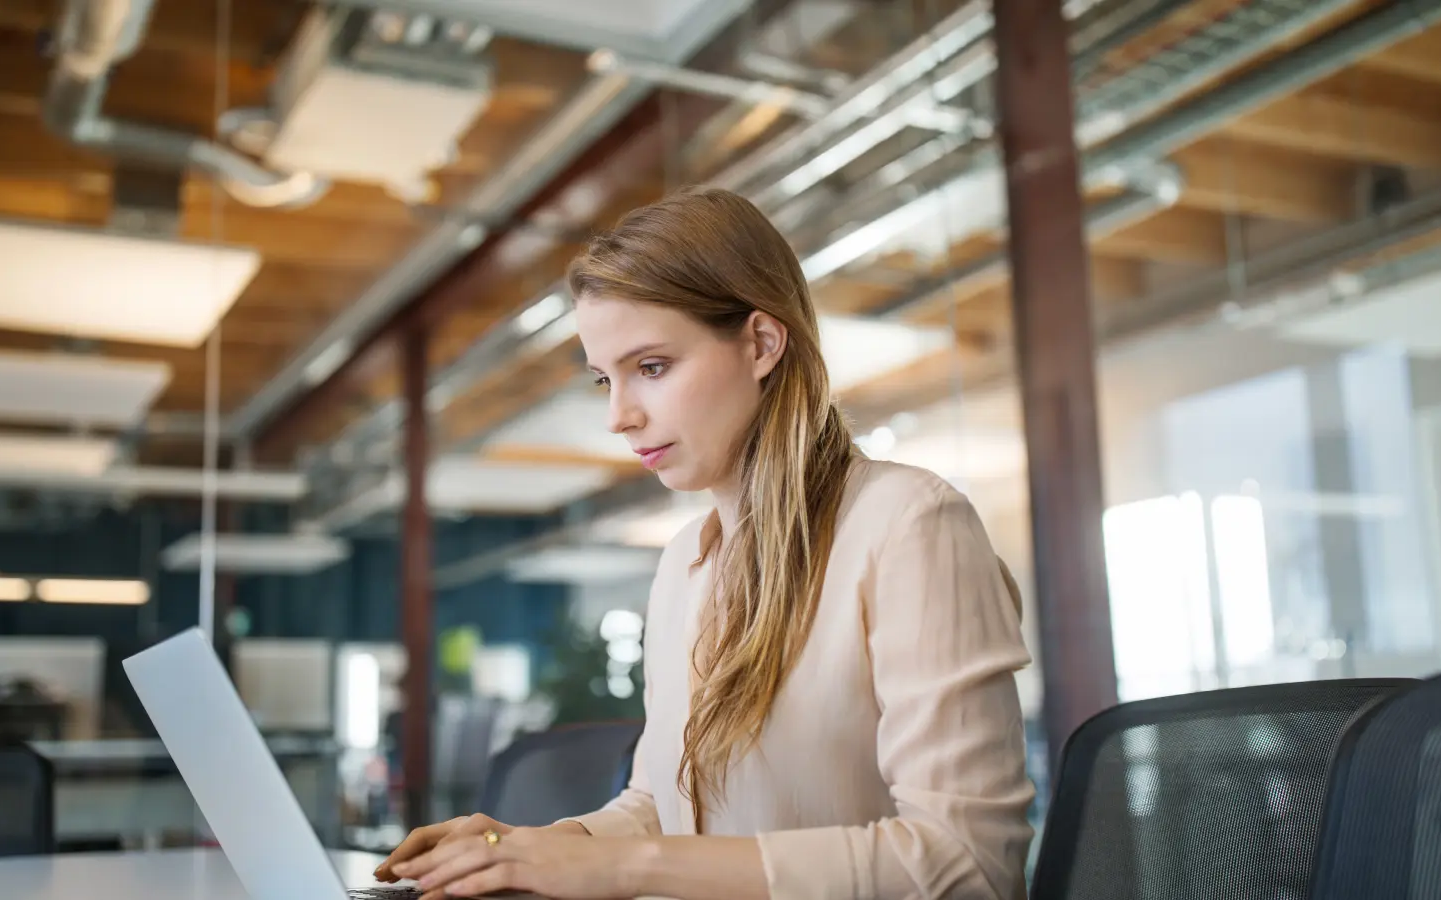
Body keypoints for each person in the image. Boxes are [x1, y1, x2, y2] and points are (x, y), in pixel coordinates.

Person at [374, 187, 1035, 900]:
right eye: (605, 378)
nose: (619, 417)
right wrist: (523, 850)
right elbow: (660, 807)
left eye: (650, 367)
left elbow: (969, 866)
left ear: (760, 343)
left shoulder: (909, 524)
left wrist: (615, 869)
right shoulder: (685, 564)